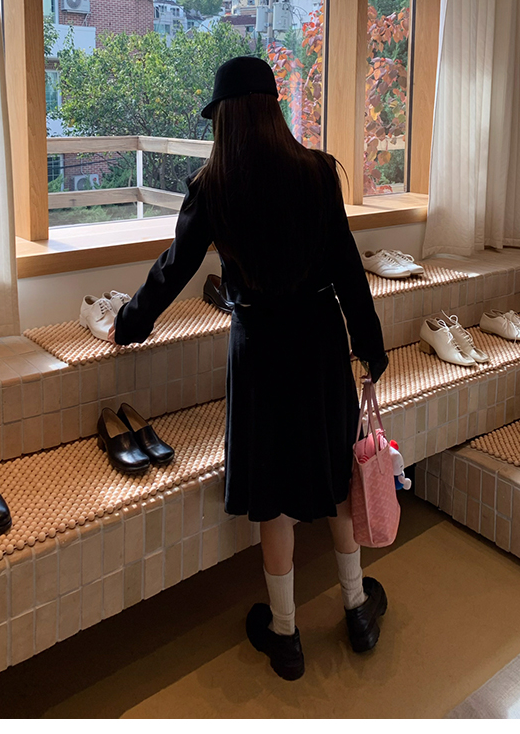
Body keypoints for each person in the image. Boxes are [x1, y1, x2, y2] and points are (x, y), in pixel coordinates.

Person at [113, 56, 389, 681]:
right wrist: (370, 346)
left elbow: (175, 267)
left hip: (260, 349)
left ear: (225, 119)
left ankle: (285, 635)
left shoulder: (213, 185)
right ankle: (356, 609)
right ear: (273, 111)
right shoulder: (319, 173)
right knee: (335, 475)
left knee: (274, 493)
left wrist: (130, 322)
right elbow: (348, 267)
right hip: (320, 340)